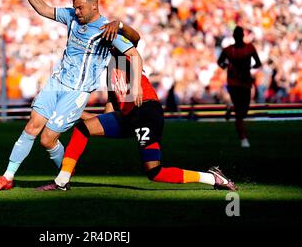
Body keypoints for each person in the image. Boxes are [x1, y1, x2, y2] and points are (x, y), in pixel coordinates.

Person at [0, 0, 143, 191]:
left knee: (47, 140)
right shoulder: (71, 16)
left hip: (77, 91)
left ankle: (65, 174)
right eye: (75, 7)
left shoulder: (106, 29)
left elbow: (134, 53)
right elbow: (44, 9)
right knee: (32, 127)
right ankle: (7, 177)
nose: (76, 11)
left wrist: (135, 87)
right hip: (56, 82)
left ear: (94, 7)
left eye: (80, 7)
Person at [37, 22, 237, 191]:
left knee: (155, 172)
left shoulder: (127, 55)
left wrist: (121, 25)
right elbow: (110, 111)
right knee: (82, 129)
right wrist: (73, 112)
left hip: (146, 112)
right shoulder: (110, 69)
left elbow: (135, 36)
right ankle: (62, 180)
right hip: (127, 117)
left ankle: (212, 178)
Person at [217, 26, 261, 148]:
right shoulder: (229, 50)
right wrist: (227, 66)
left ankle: (232, 108)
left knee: (243, 110)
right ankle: (243, 139)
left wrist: (247, 69)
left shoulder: (249, 48)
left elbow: (258, 62)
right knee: (240, 113)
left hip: (245, 82)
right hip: (234, 83)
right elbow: (220, 62)